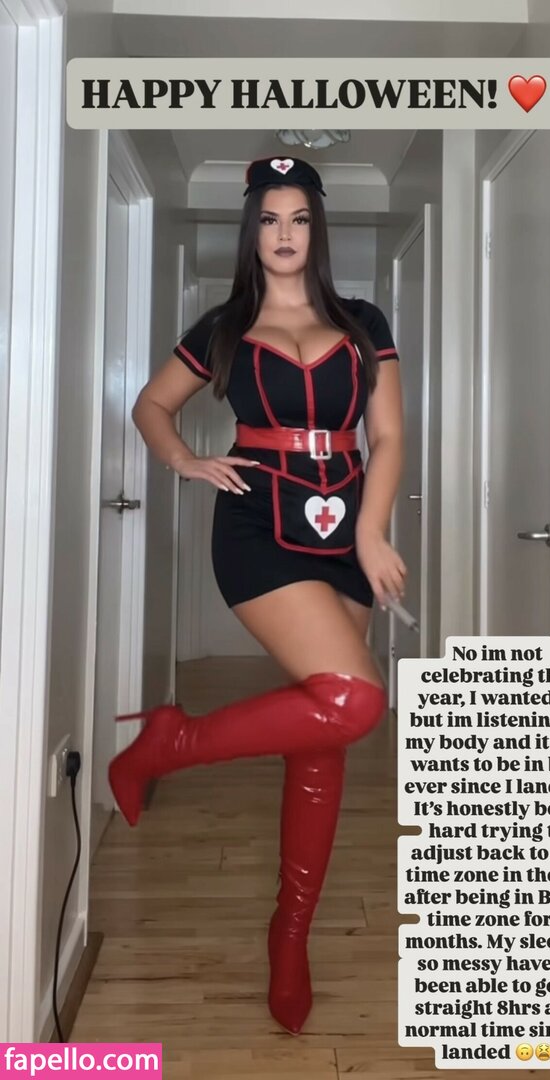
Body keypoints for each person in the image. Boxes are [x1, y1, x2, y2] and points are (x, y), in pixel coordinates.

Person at [108, 155, 406, 1034]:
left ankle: (290, 935)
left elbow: (388, 437)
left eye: (299, 218)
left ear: (317, 230)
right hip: (255, 527)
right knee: (351, 700)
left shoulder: (363, 322)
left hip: (344, 525)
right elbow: (150, 407)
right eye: (270, 219)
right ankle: (170, 742)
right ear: (252, 230)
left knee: (324, 735)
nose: (284, 234)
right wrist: (186, 461)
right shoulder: (224, 326)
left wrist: (370, 532)